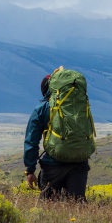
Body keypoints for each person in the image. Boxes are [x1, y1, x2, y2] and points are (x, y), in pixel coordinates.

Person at [24, 71, 90, 201]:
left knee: (49, 204)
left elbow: (32, 141)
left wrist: (30, 170)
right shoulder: (79, 106)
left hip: (53, 164)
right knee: (77, 204)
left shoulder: (42, 108)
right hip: (80, 162)